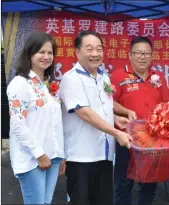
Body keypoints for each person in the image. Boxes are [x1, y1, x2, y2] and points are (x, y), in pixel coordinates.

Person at [59, 30, 132, 205]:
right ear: (77, 52)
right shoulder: (71, 79)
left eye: (99, 49)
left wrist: (115, 117)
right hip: (81, 156)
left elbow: (101, 106)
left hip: (104, 154)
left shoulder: (104, 78)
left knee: (103, 200)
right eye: (89, 49)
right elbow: (85, 113)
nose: (95, 54)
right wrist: (117, 132)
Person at [111, 36, 169, 205]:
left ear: (152, 56)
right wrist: (125, 111)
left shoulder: (158, 77)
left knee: (149, 186)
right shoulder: (118, 76)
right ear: (130, 55)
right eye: (138, 53)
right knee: (123, 185)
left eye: (147, 53)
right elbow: (108, 102)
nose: (143, 57)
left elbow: (166, 104)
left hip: (152, 141)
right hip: (126, 140)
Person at [7, 32, 65, 204]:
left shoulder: (50, 84)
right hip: (33, 158)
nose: (46, 57)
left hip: (53, 156)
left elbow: (55, 122)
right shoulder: (20, 84)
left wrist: (60, 155)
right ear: (30, 53)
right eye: (41, 52)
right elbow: (18, 126)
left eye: (50, 52)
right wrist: (39, 154)